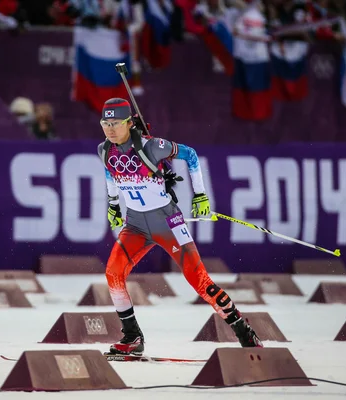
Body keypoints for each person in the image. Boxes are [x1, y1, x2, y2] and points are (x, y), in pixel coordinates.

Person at [97, 97, 262, 356]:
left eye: (115, 123)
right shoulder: (105, 149)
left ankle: (243, 330)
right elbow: (110, 173)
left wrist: (200, 195)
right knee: (113, 273)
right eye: (105, 123)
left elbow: (191, 155)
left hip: (167, 223)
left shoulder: (153, 146)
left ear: (129, 123)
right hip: (136, 225)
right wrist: (114, 204)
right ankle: (132, 338)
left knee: (199, 280)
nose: (110, 129)